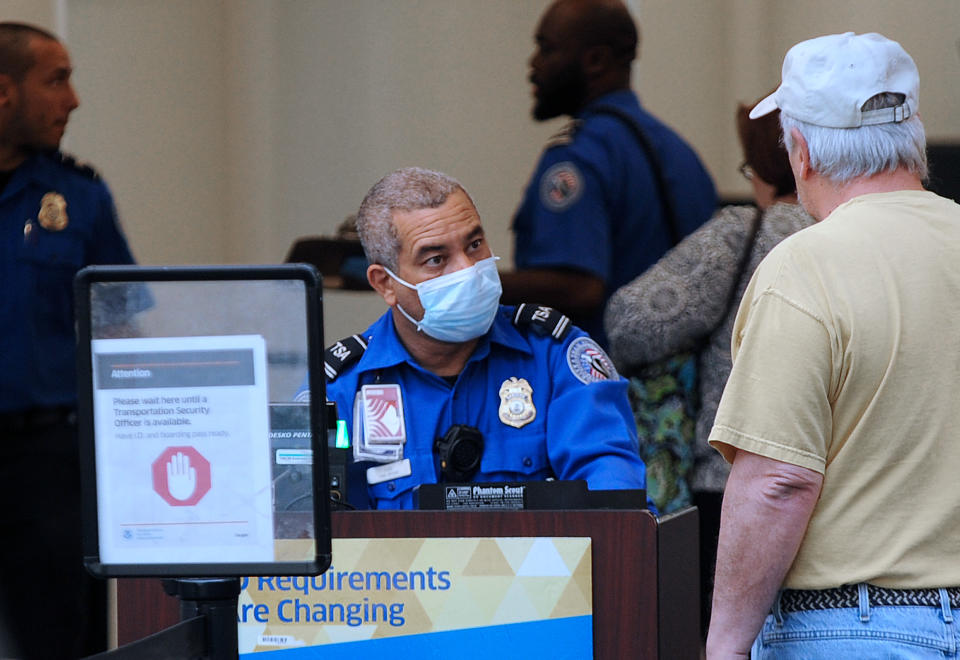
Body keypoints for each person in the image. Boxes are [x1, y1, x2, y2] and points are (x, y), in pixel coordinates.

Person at [705, 33, 960, 658]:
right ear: (914, 131)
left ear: (802, 151)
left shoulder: (805, 268)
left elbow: (777, 481)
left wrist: (725, 646)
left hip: (857, 629)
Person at [302, 166, 646, 510]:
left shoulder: (557, 357)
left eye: (475, 244)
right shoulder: (339, 389)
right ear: (385, 284)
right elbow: (306, 528)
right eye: (436, 259)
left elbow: (615, 505)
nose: (467, 269)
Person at [604, 98, 813, 639]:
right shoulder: (861, 235)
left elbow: (630, 323)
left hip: (730, 481)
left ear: (770, 169)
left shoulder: (742, 233)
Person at [0, 22, 140, 658]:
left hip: (50, 461)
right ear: (4, 92)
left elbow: (123, 326)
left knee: (61, 637)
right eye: (55, 80)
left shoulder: (77, 196)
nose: (73, 99)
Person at [499, 0, 717, 346]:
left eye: (546, 48)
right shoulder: (680, 152)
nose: (533, 64)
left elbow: (579, 288)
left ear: (595, 60)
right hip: (677, 388)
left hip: (599, 384)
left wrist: (466, 288)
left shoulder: (580, 156)